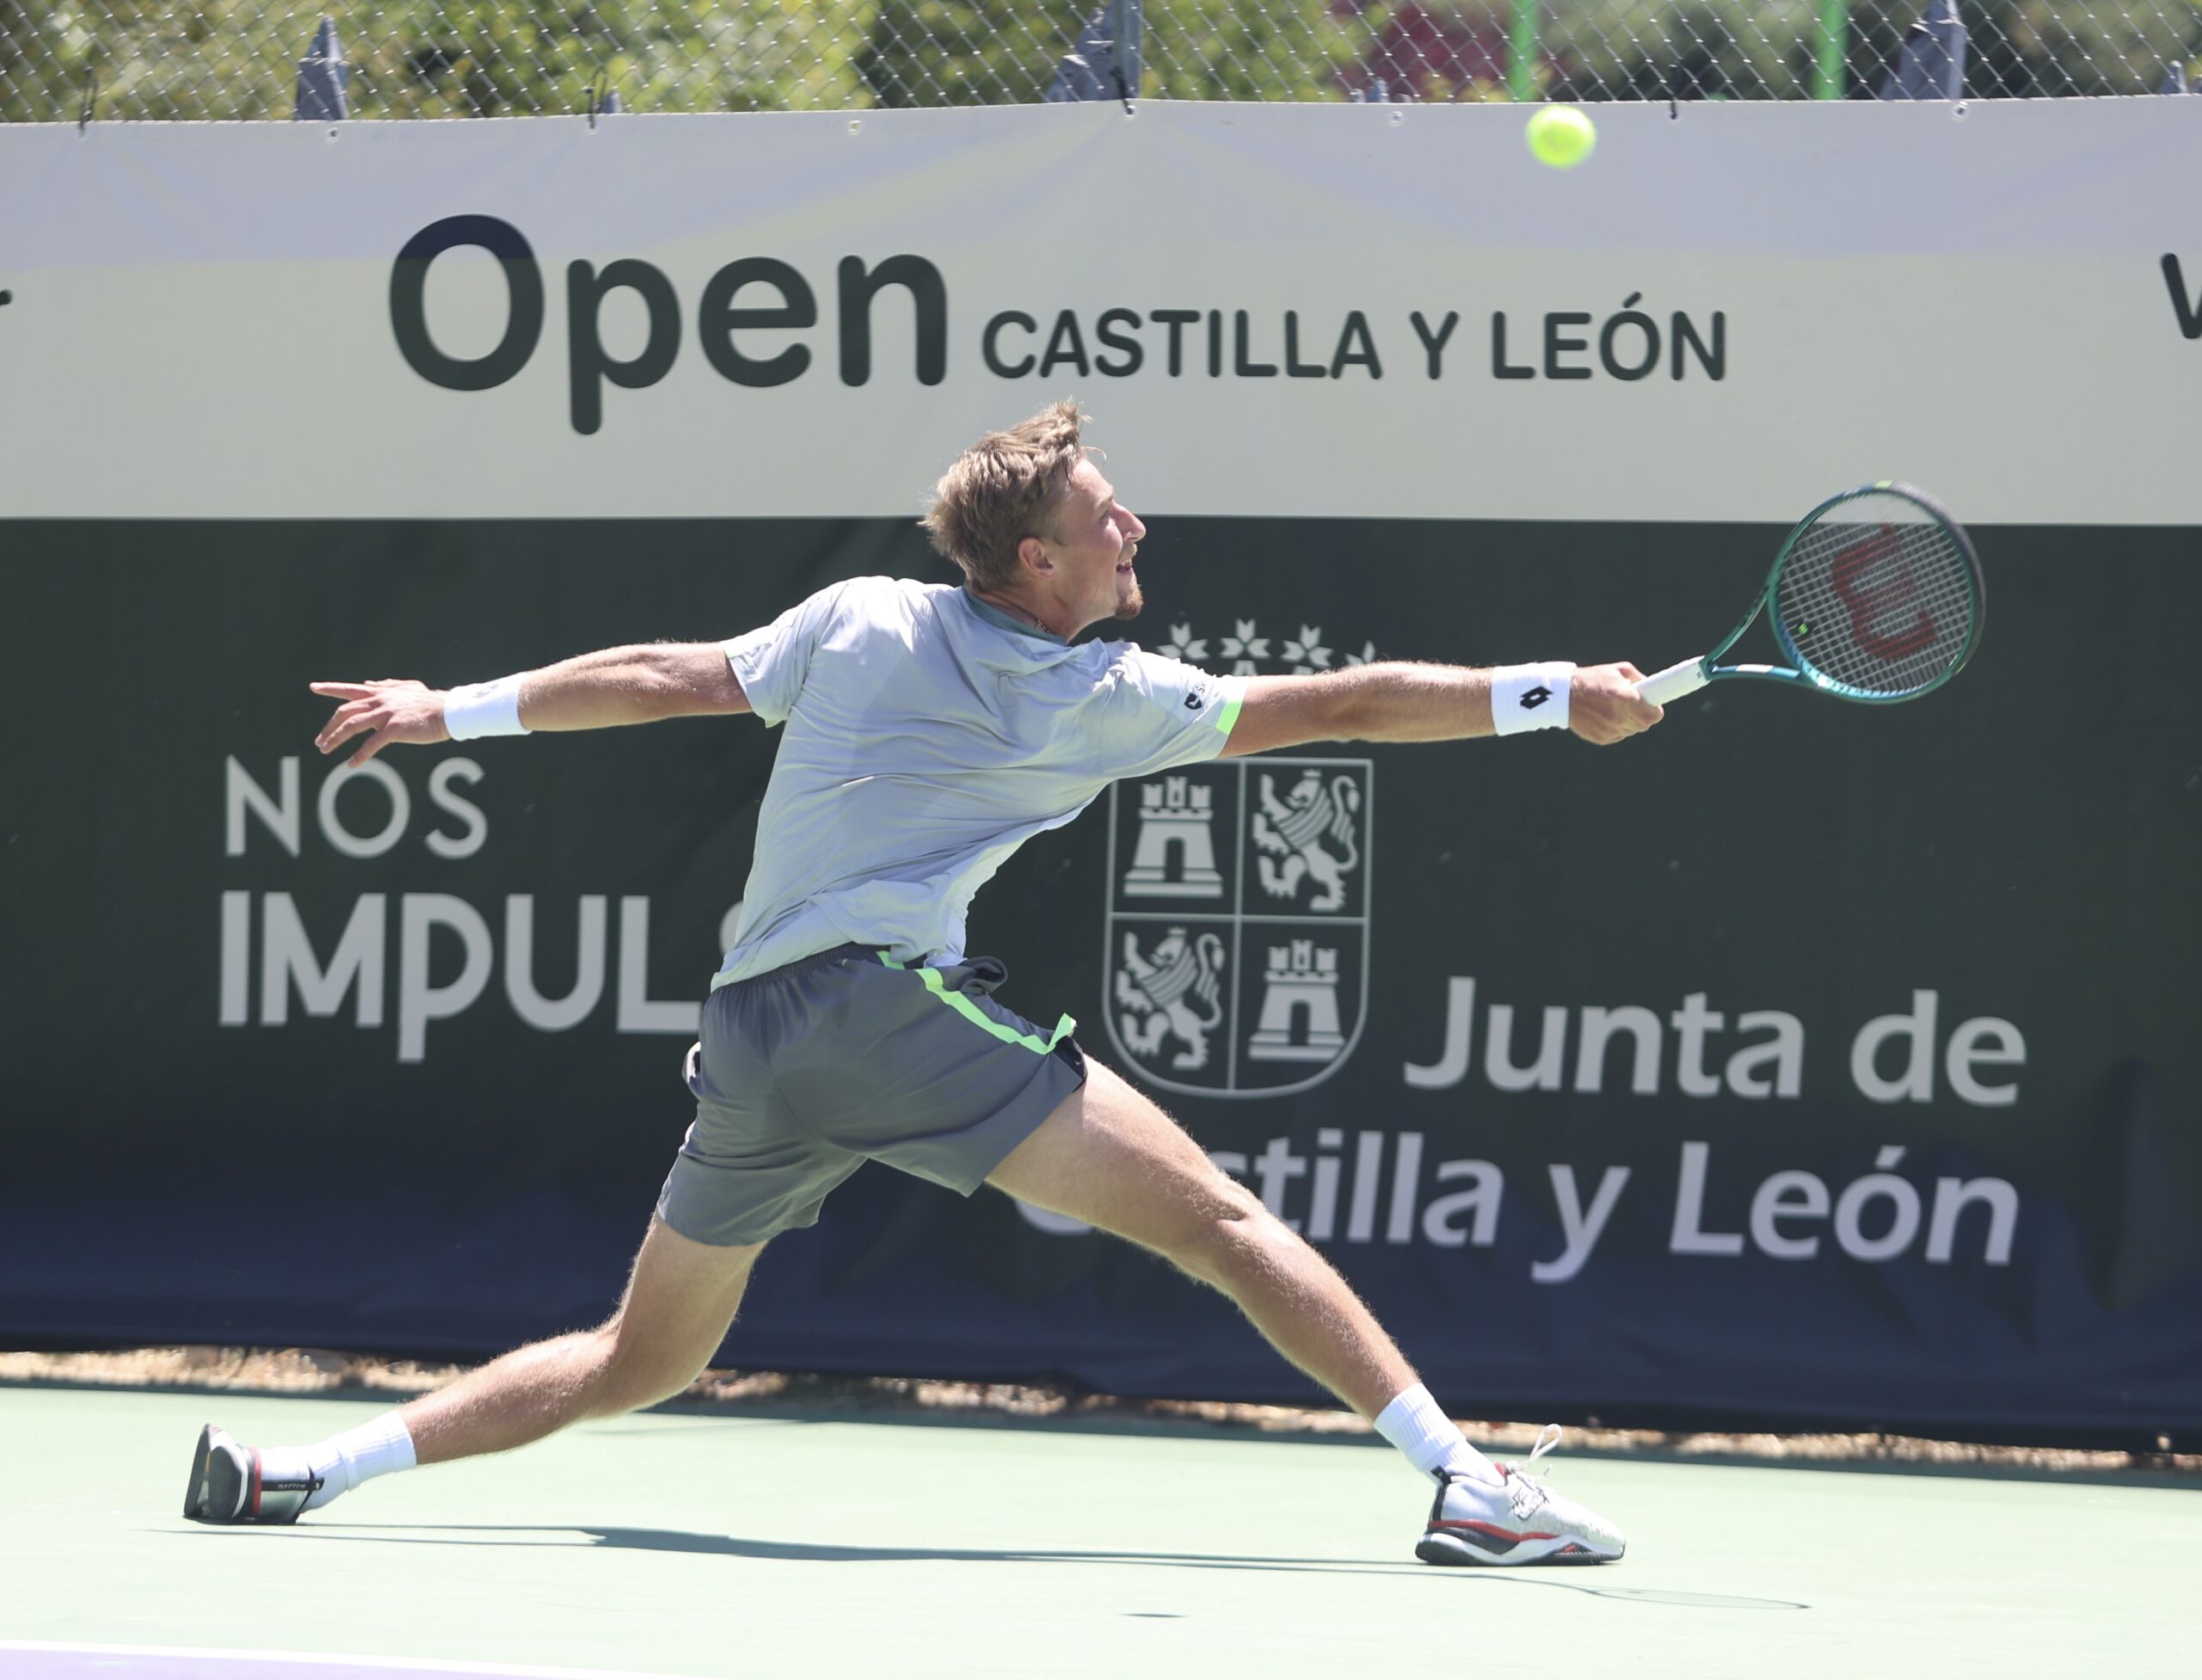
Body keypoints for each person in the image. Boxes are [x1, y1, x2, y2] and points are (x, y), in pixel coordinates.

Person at [184, 399, 1663, 1566]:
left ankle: (298, 1466)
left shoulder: (856, 616)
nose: (1133, 526)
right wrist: (1554, 695)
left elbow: (660, 675)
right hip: (879, 1011)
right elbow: (1343, 705)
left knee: (638, 1358)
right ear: (1037, 562)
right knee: (1221, 1220)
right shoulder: (1103, 697)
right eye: (1103, 516)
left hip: (753, 1036)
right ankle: (1469, 1484)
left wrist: (446, 709)